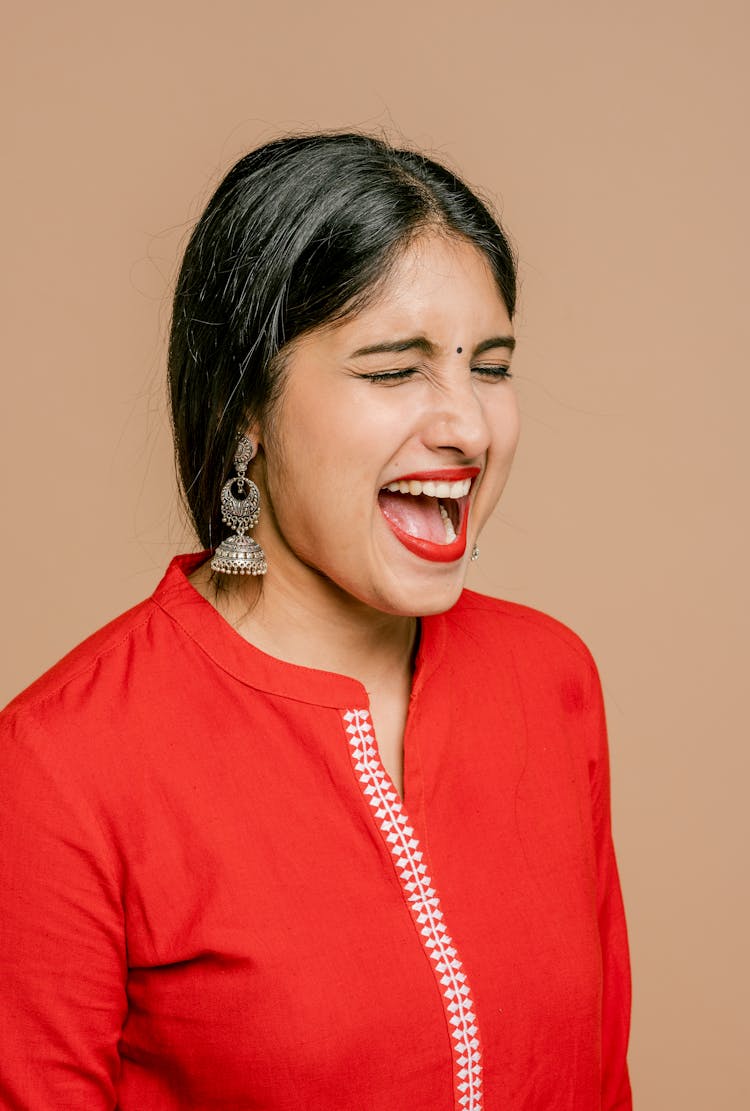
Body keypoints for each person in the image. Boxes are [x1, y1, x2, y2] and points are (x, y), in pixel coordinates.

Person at [0, 131, 632, 1110]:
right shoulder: (62, 764)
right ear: (246, 404)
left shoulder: (549, 679)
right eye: (394, 370)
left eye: (491, 367)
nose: (467, 424)